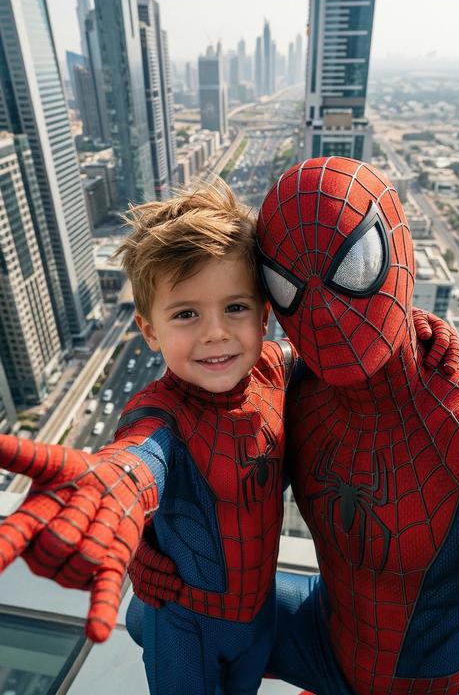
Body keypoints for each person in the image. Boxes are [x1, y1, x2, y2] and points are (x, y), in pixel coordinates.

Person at [128, 157, 459, 695]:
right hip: (321, 633)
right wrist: (148, 537)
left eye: (355, 268)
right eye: (290, 286)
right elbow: (196, 440)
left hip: (428, 685)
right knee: (148, 616)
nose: (326, 313)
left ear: (398, 251)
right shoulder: (300, 385)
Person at [0, 182, 299, 695]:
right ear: (149, 330)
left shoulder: (274, 369)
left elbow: (342, 347)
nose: (215, 333)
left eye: (235, 308)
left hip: (259, 613)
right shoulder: (162, 414)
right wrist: (107, 487)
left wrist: (417, 336)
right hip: (183, 623)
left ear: (265, 315)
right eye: (186, 313)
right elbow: (137, 459)